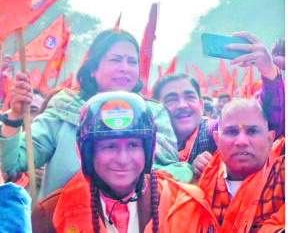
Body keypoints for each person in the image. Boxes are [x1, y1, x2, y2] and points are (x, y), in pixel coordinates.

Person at [0, 28, 193, 200]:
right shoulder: (64, 108)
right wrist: (16, 115)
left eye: (132, 62)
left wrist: (126, 173)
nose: (125, 68)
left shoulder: (153, 114)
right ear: (92, 69)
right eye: (115, 60)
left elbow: (176, 174)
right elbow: (12, 164)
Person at [32, 91, 220, 233]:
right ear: (87, 153)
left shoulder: (187, 204)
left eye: (132, 145)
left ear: (149, 150)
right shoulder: (52, 213)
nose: (123, 160)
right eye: (110, 147)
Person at [152, 31, 284, 181]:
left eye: (189, 97)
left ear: (201, 105)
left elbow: (269, 123)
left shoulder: (214, 132)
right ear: (157, 109)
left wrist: (269, 72)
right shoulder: (144, 143)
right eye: (171, 99)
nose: (182, 105)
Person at [198, 98, 285, 233]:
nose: (241, 141)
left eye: (252, 131)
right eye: (232, 132)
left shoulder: (282, 173)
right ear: (217, 140)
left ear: (270, 139)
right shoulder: (201, 182)